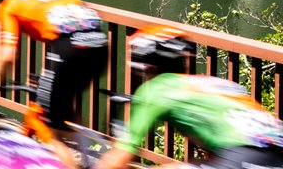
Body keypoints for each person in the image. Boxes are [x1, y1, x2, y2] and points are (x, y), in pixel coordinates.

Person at [95, 27, 283, 169]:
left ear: (147, 65)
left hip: (242, 156)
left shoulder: (157, 88)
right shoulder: (216, 84)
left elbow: (121, 155)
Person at [0, 0, 108, 168]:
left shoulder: (10, 4)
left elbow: (7, 55)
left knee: (47, 126)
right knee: (62, 107)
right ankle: (88, 156)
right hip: (100, 47)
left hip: (70, 49)